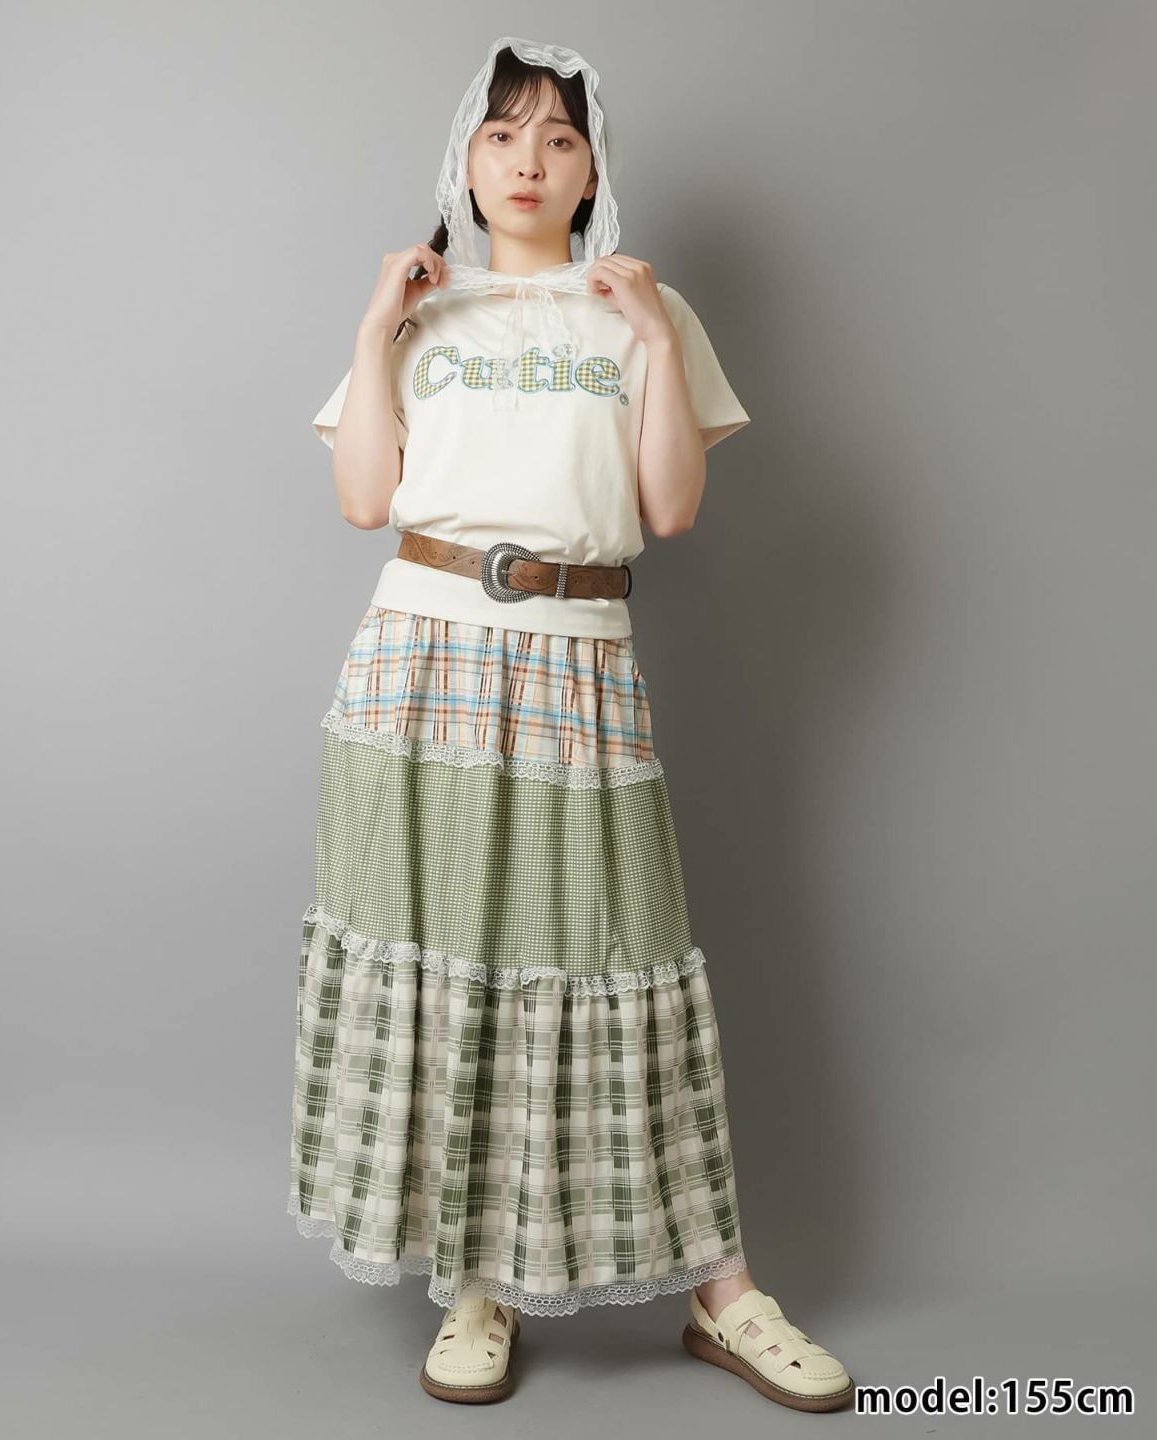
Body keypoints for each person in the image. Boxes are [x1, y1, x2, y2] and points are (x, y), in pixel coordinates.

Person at [287, 34, 854, 1413]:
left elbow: (669, 508)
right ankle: (475, 1281)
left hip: (576, 659)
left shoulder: (640, 309)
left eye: (556, 136)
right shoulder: (421, 315)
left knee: (614, 952)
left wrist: (653, 336)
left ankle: (725, 1293)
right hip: (415, 661)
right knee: (451, 963)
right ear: (466, 160)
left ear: (593, 166)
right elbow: (363, 500)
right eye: (501, 135)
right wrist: (372, 330)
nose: (526, 161)